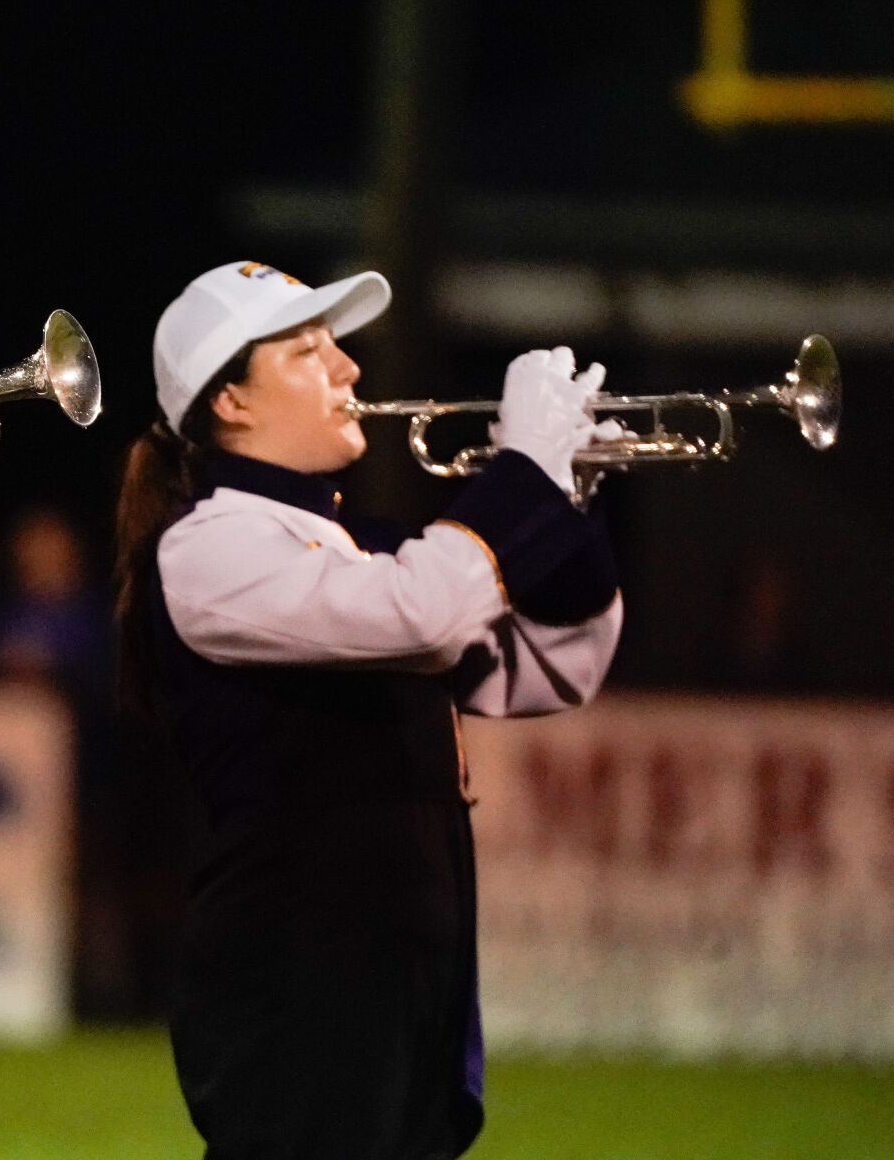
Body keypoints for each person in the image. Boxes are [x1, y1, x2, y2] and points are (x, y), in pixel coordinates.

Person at [114, 261, 624, 1160]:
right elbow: (425, 612)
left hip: (397, 973)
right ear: (229, 401)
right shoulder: (209, 545)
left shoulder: (355, 547)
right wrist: (520, 478)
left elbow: (555, 666)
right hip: (299, 978)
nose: (348, 368)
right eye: (308, 353)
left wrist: (565, 499)